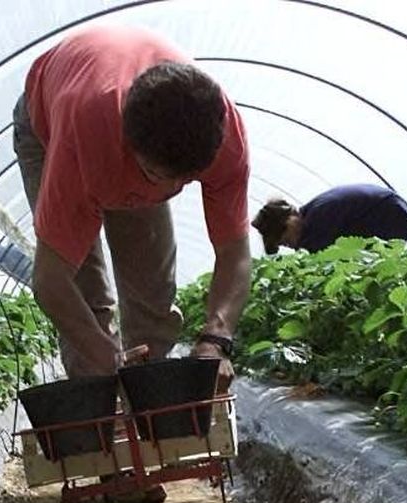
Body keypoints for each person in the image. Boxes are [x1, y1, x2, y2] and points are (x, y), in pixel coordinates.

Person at [13, 24, 251, 390]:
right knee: (85, 299)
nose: (168, 191)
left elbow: (234, 252)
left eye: (184, 179)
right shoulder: (87, 137)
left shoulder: (222, 137)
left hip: (119, 123)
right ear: (130, 146)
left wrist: (215, 340)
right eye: (154, 174)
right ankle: (97, 428)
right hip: (51, 122)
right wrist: (103, 352)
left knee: (151, 295)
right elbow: (51, 280)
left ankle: (152, 411)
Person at [251, 184, 407, 255]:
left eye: (284, 239)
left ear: (291, 219)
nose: (289, 245)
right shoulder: (313, 214)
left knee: (381, 266)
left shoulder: (319, 219)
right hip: (390, 207)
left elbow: (324, 259)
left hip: (388, 214)